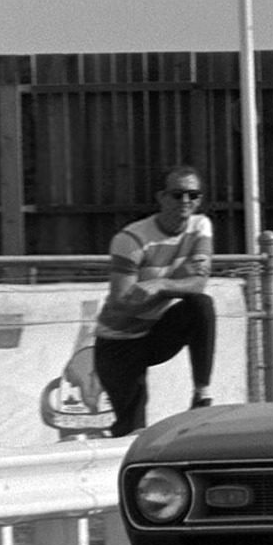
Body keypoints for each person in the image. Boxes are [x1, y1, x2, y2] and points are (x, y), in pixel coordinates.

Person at [93, 165, 216, 437]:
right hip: (118, 342)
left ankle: (202, 395)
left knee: (201, 306)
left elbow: (198, 285)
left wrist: (160, 285)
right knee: (132, 431)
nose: (185, 202)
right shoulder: (131, 239)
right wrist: (172, 288)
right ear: (161, 197)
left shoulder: (201, 226)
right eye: (177, 195)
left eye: (193, 195)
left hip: (152, 335)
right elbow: (122, 300)